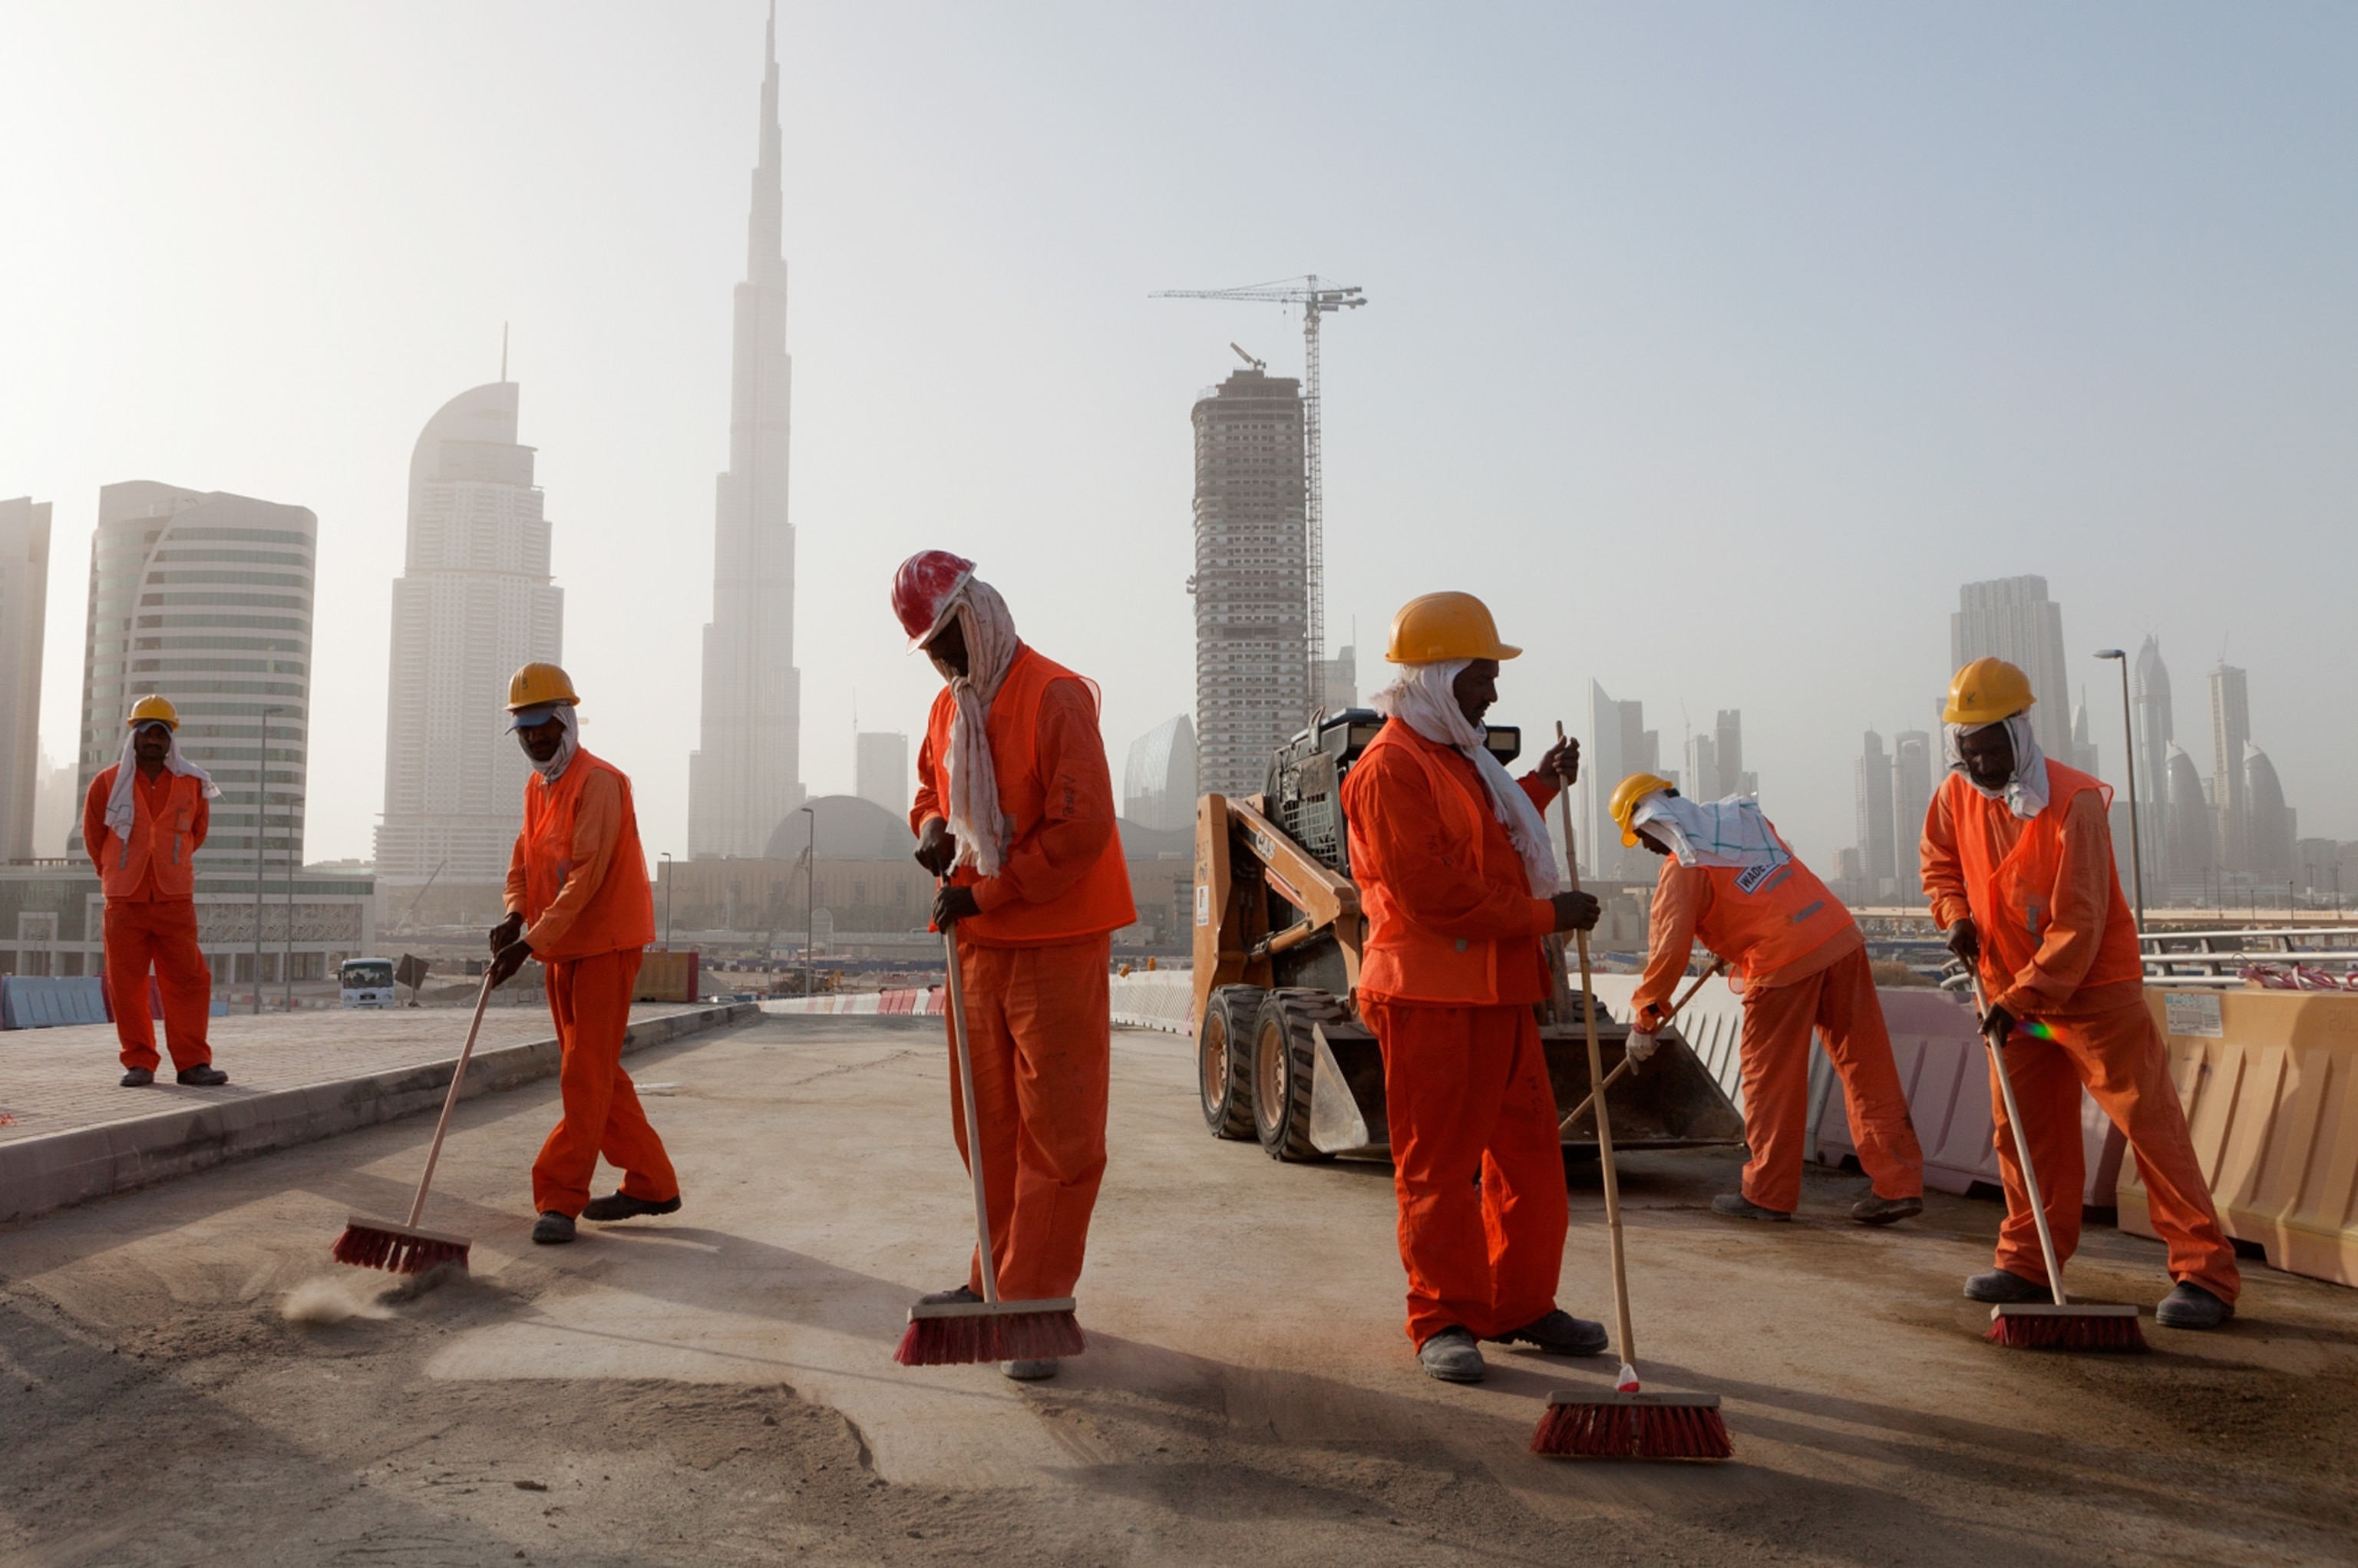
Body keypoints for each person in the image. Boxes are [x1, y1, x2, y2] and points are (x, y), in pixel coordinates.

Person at [1337, 591, 1607, 1384]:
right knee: (1438, 1171)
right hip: (1429, 998)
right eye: (1481, 677)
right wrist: (1547, 914)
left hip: (1497, 991)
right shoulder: (1391, 768)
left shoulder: (1459, 757)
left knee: (1529, 1160)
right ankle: (1443, 1316)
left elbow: (1489, 836)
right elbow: (1435, 893)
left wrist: (1543, 785)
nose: (1494, 691)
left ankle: (1519, 1305)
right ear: (1437, 675)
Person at [1920, 656, 2237, 1330]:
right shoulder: (1954, 797)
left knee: (2147, 1127)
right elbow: (1939, 865)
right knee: (2025, 1133)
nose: (1981, 763)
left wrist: (2022, 995)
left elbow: (2080, 922)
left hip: (2092, 1000)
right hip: (2015, 1004)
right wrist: (1954, 916)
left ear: (2020, 731)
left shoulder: (2075, 803)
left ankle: (2203, 1272)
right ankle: (2029, 1262)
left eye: (1991, 748)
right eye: (1968, 750)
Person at [893, 550, 1134, 1381]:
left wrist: (987, 898)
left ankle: (1032, 1301)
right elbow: (931, 791)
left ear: (980, 611)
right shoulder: (947, 710)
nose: (943, 658)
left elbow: (1079, 832)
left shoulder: (1055, 695)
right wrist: (927, 827)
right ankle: (993, 1279)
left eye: (948, 638)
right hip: (979, 948)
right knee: (985, 1131)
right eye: (929, 648)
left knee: (1058, 1137)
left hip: (1054, 942)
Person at [1613, 774, 1925, 1224]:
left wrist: (1645, 1018)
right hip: (1837, 937)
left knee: (1771, 1081)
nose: (1644, 847)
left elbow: (1668, 951)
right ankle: (1897, 1185)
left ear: (1654, 823)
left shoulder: (1684, 864)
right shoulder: (1741, 823)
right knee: (1866, 1065)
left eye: (1641, 836)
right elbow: (1765, 889)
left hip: (1781, 962)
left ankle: (1768, 1194)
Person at [486, 662, 680, 1247]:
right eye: (526, 731)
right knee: (599, 1074)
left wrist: (530, 942)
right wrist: (515, 914)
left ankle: (558, 1196)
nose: (537, 739)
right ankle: (652, 1181)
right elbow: (525, 861)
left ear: (568, 720)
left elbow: (588, 877)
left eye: (545, 727)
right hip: (560, 948)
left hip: (605, 944)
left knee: (582, 1073)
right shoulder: (537, 787)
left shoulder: (601, 782)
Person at [84, 695, 226, 1088]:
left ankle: (193, 1063)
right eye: (146, 732)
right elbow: (94, 837)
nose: (153, 741)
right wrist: (116, 873)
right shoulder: (107, 783)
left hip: (174, 900)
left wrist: (168, 864)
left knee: (188, 982)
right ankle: (140, 1062)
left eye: (161, 733)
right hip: (125, 901)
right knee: (127, 986)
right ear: (134, 736)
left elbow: (196, 833)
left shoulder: (192, 783)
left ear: (170, 740)